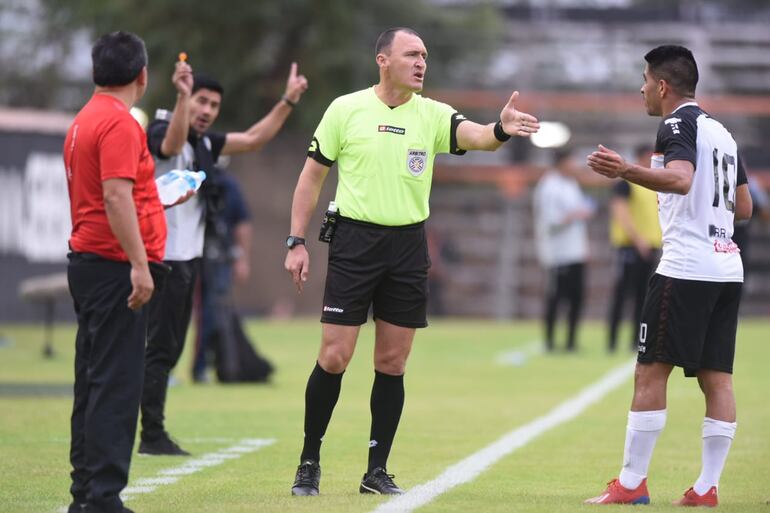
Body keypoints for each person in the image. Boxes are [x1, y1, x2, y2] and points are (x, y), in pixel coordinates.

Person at [284, 27, 539, 496]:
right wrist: (296, 241)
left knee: (392, 362)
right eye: (411, 54)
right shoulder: (345, 109)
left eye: (424, 55)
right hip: (354, 243)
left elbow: (480, 137)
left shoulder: (433, 114)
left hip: (406, 247)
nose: (421, 62)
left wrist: (501, 127)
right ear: (383, 59)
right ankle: (309, 461)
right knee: (335, 356)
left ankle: (376, 471)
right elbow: (311, 177)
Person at [585, 45, 752, 506]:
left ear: (661, 85)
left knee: (649, 371)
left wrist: (625, 169)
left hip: (685, 267)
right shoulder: (723, 132)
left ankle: (632, 483)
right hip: (726, 266)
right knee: (717, 379)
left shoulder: (677, 123)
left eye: (644, 79)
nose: (641, 88)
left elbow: (679, 179)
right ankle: (706, 487)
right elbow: (745, 207)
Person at [139, 58, 308, 455]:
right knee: (158, 349)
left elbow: (253, 139)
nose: (206, 111)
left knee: (171, 348)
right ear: (185, 97)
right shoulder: (163, 130)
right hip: (160, 259)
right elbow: (171, 146)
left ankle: (152, 430)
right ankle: (149, 434)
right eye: (201, 101)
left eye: (213, 106)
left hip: (187, 260)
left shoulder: (204, 142)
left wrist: (288, 99)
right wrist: (182, 98)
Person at [63, 31, 167, 513]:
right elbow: (115, 196)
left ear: (94, 73)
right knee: (116, 384)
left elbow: (118, 194)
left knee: (93, 380)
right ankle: (103, 497)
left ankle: (86, 490)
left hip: (88, 262)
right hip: (113, 268)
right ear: (141, 76)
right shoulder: (121, 124)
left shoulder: (83, 120)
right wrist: (140, 266)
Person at [191, 168, 273, 383]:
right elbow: (243, 224)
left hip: (208, 258)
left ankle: (204, 366)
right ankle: (204, 366)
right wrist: (241, 258)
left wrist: (241, 258)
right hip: (205, 258)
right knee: (209, 312)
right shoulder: (224, 184)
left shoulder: (223, 185)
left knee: (209, 313)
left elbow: (242, 223)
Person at [532, 147, 594, 352]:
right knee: (556, 297)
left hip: (575, 251)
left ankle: (570, 341)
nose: (574, 166)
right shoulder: (549, 186)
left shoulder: (571, 184)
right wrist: (575, 215)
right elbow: (551, 221)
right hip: (558, 254)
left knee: (576, 298)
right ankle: (549, 341)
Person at [606, 144, 662, 353]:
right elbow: (621, 213)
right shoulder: (626, 184)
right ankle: (612, 342)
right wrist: (638, 241)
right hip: (630, 248)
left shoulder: (652, 185)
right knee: (622, 295)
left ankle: (636, 341)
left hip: (650, 247)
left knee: (643, 297)